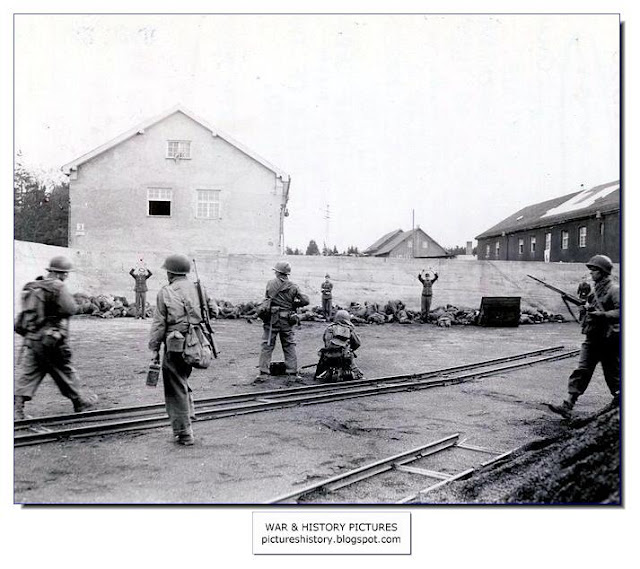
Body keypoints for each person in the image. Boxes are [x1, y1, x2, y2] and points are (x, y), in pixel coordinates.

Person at [14, 256, 97, 420]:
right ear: (63, 274)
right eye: (66, 274)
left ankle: (16, 409)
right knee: (65, 369)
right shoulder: (58, 287)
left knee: (30, 373)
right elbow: (70, 309)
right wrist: (82, 305)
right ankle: (80, 402)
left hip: (32, 339)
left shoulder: (35, 286)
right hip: (51, 340)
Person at [148, 254, 218, 445]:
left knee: (174, 386)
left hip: (175, 344)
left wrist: (154, 348)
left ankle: (184, 432)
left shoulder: (166, 291)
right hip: (197, 342)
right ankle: (189, 415)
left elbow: (159, 324)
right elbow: (214, 311)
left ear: (171, 273)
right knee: (182, 379)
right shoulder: (199, 287)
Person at [547, 255, 620, 418]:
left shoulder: (615, 290)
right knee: (582, 370)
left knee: (612, 374)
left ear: (602, 272)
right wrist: (582, 309)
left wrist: (602, 315)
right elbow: (588, 308)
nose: (591, 273)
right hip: (592, 337)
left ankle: (621, 401)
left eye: (594, 270)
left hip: (608, 339)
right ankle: (568, 404)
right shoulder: (595, 291)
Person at [255, 261, 309, 383]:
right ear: (287, 273)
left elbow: (267, 299)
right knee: (289, 345)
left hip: (272, 320)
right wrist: (294, 304)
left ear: (278, 272)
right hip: (287, 320)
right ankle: (292, 373)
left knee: (267, 345)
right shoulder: (293, 286)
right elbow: (305, 301)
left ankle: (263, 373)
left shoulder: (270, 284)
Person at [314, 310, 363, 381]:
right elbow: (357, 343)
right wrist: (350, 349)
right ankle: (350, 374)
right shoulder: (349, 329)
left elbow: (325, 342)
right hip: (344, 357)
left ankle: (327, 373)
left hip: (327, 357)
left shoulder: (329, 328)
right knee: (358, 374)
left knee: (323, 368)